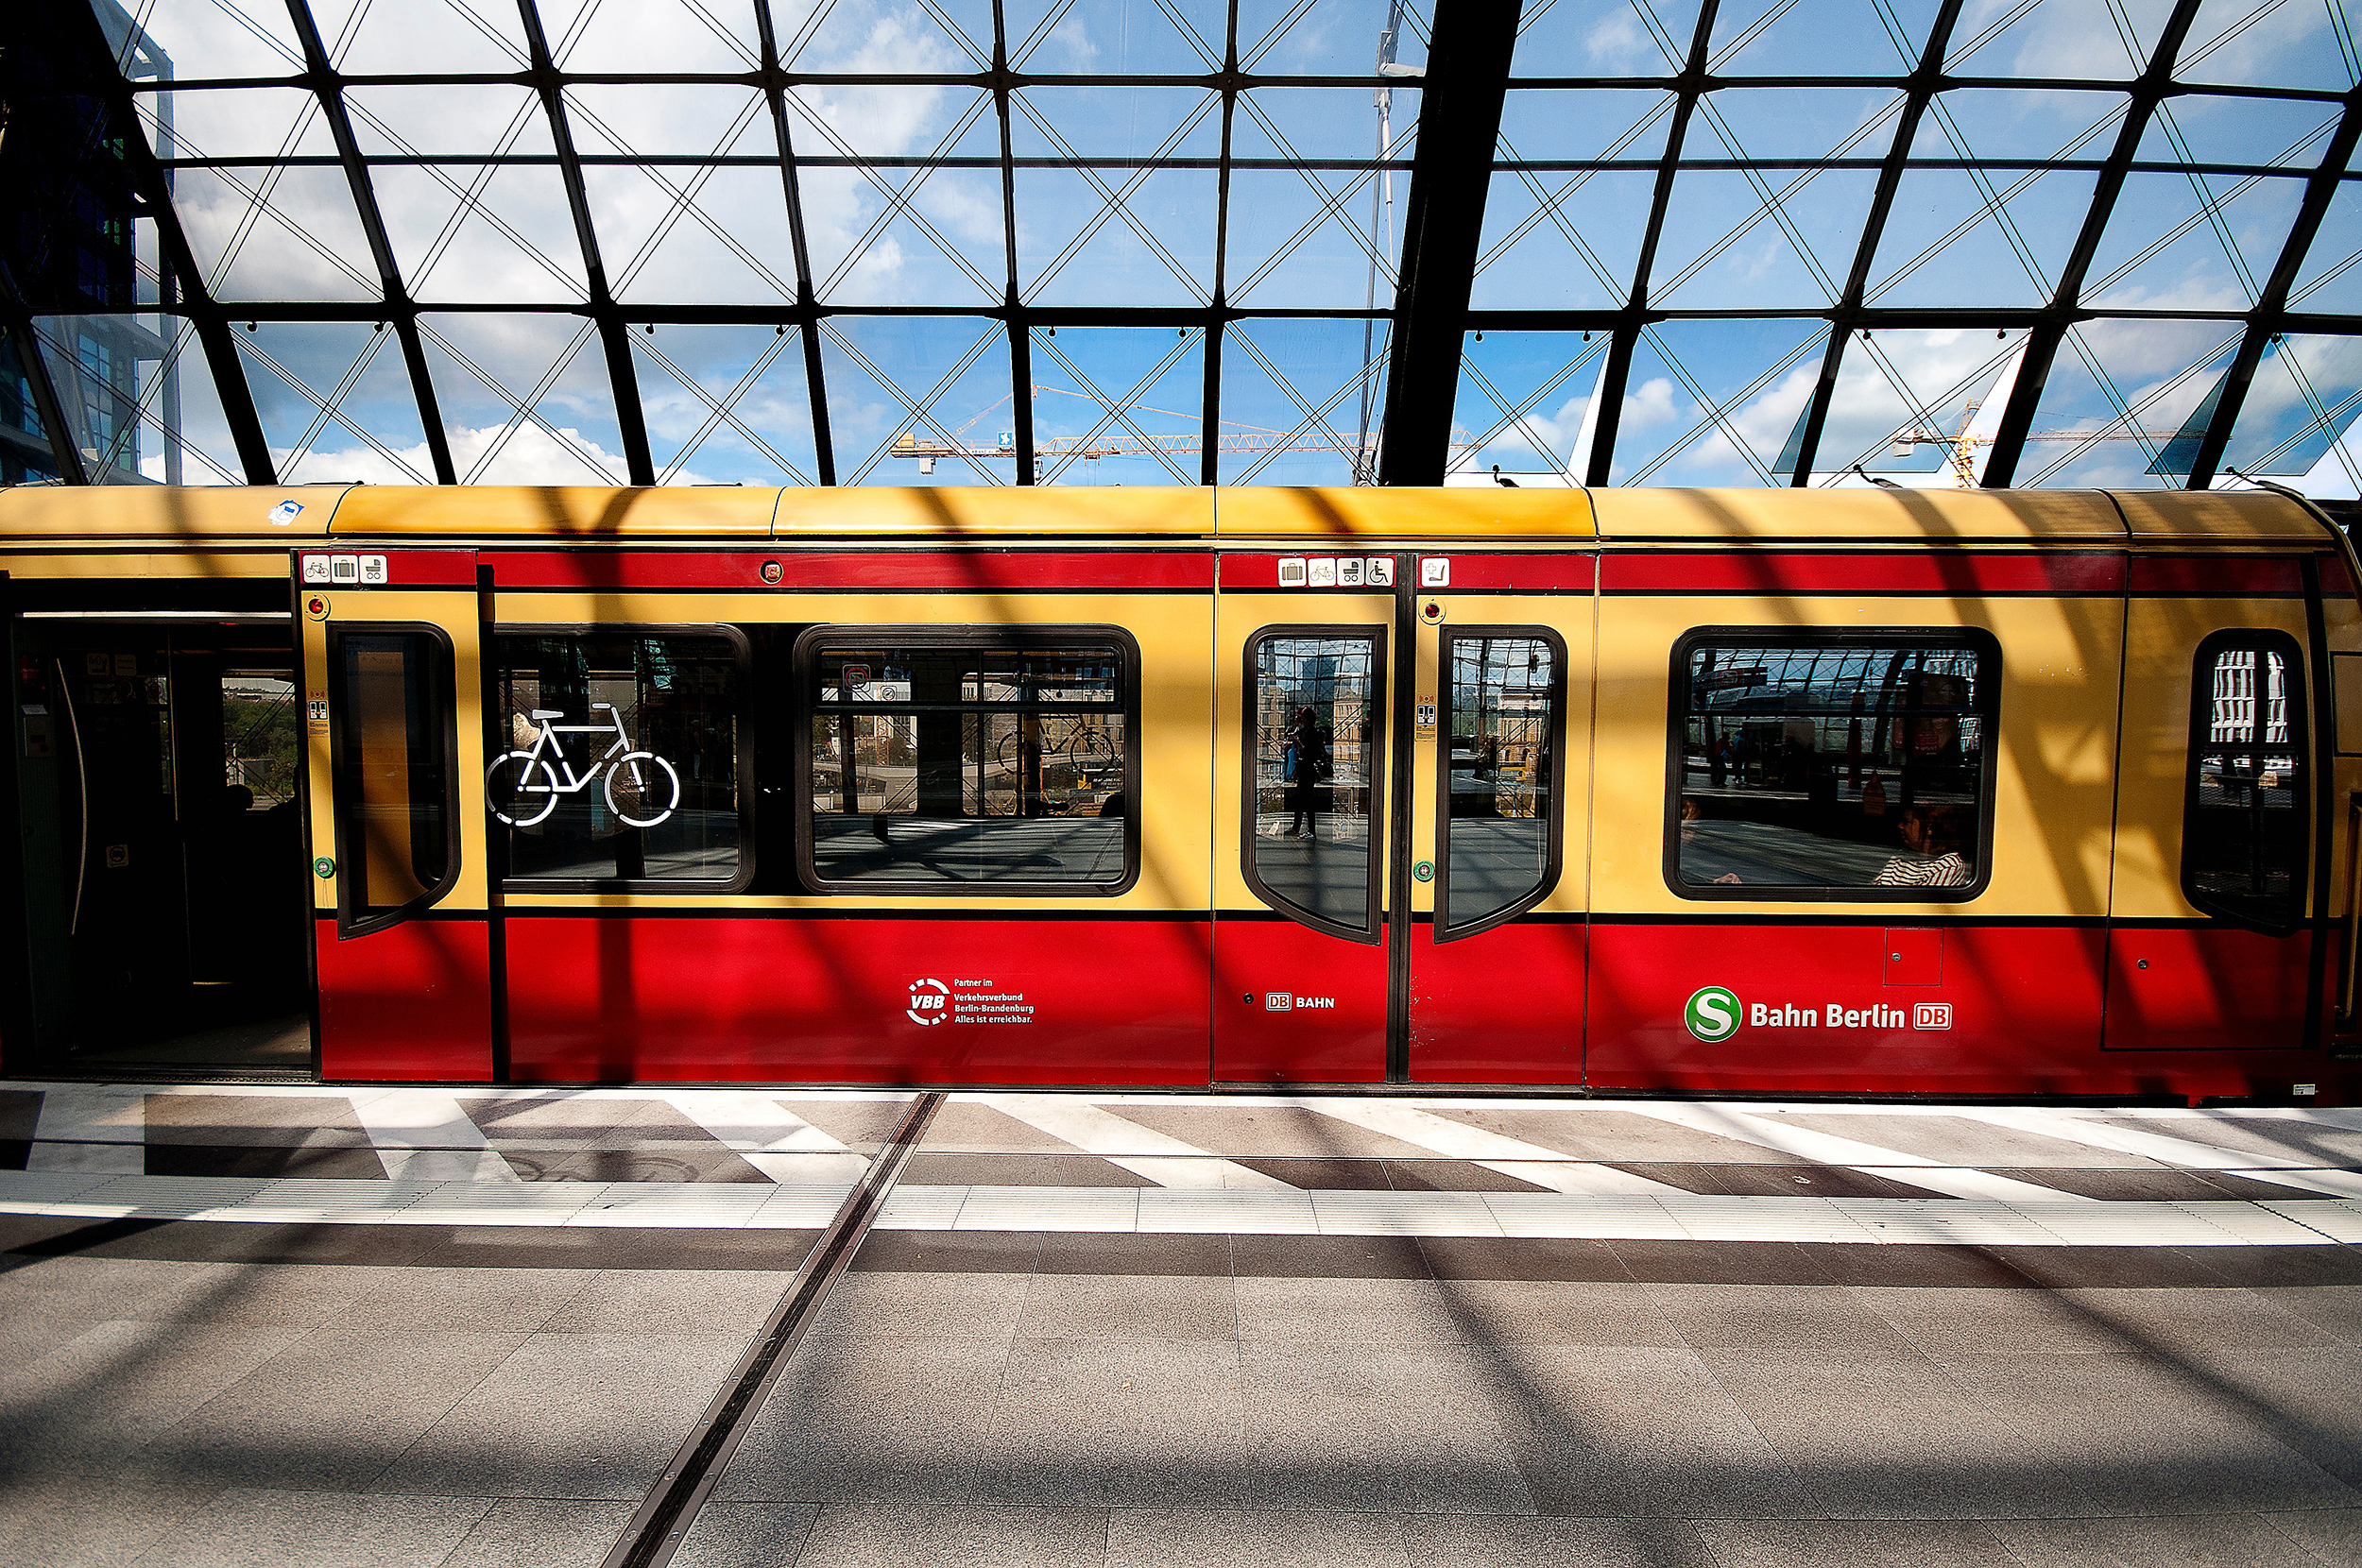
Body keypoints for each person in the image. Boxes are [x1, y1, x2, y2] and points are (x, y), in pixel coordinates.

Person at [1874, 805, 1973, 887]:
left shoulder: (1949, 865)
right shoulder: (1902, 856)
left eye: (1907, 822)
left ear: (1929, 826)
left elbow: (1919, 905)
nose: (1900, 826)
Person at [1284, 706, 1326, 840]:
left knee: (1307, 801)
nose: (1299, 720)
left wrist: (1297, 743)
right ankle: (1297, 827)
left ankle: (1310, 831)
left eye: (1301, 718)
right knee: (1300, 799)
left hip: (1308, 769)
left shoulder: (1312, 733)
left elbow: (1308, 751)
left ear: (1306, 719)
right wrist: (1292, 742)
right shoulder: (1305, 731)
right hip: (1304, 769)